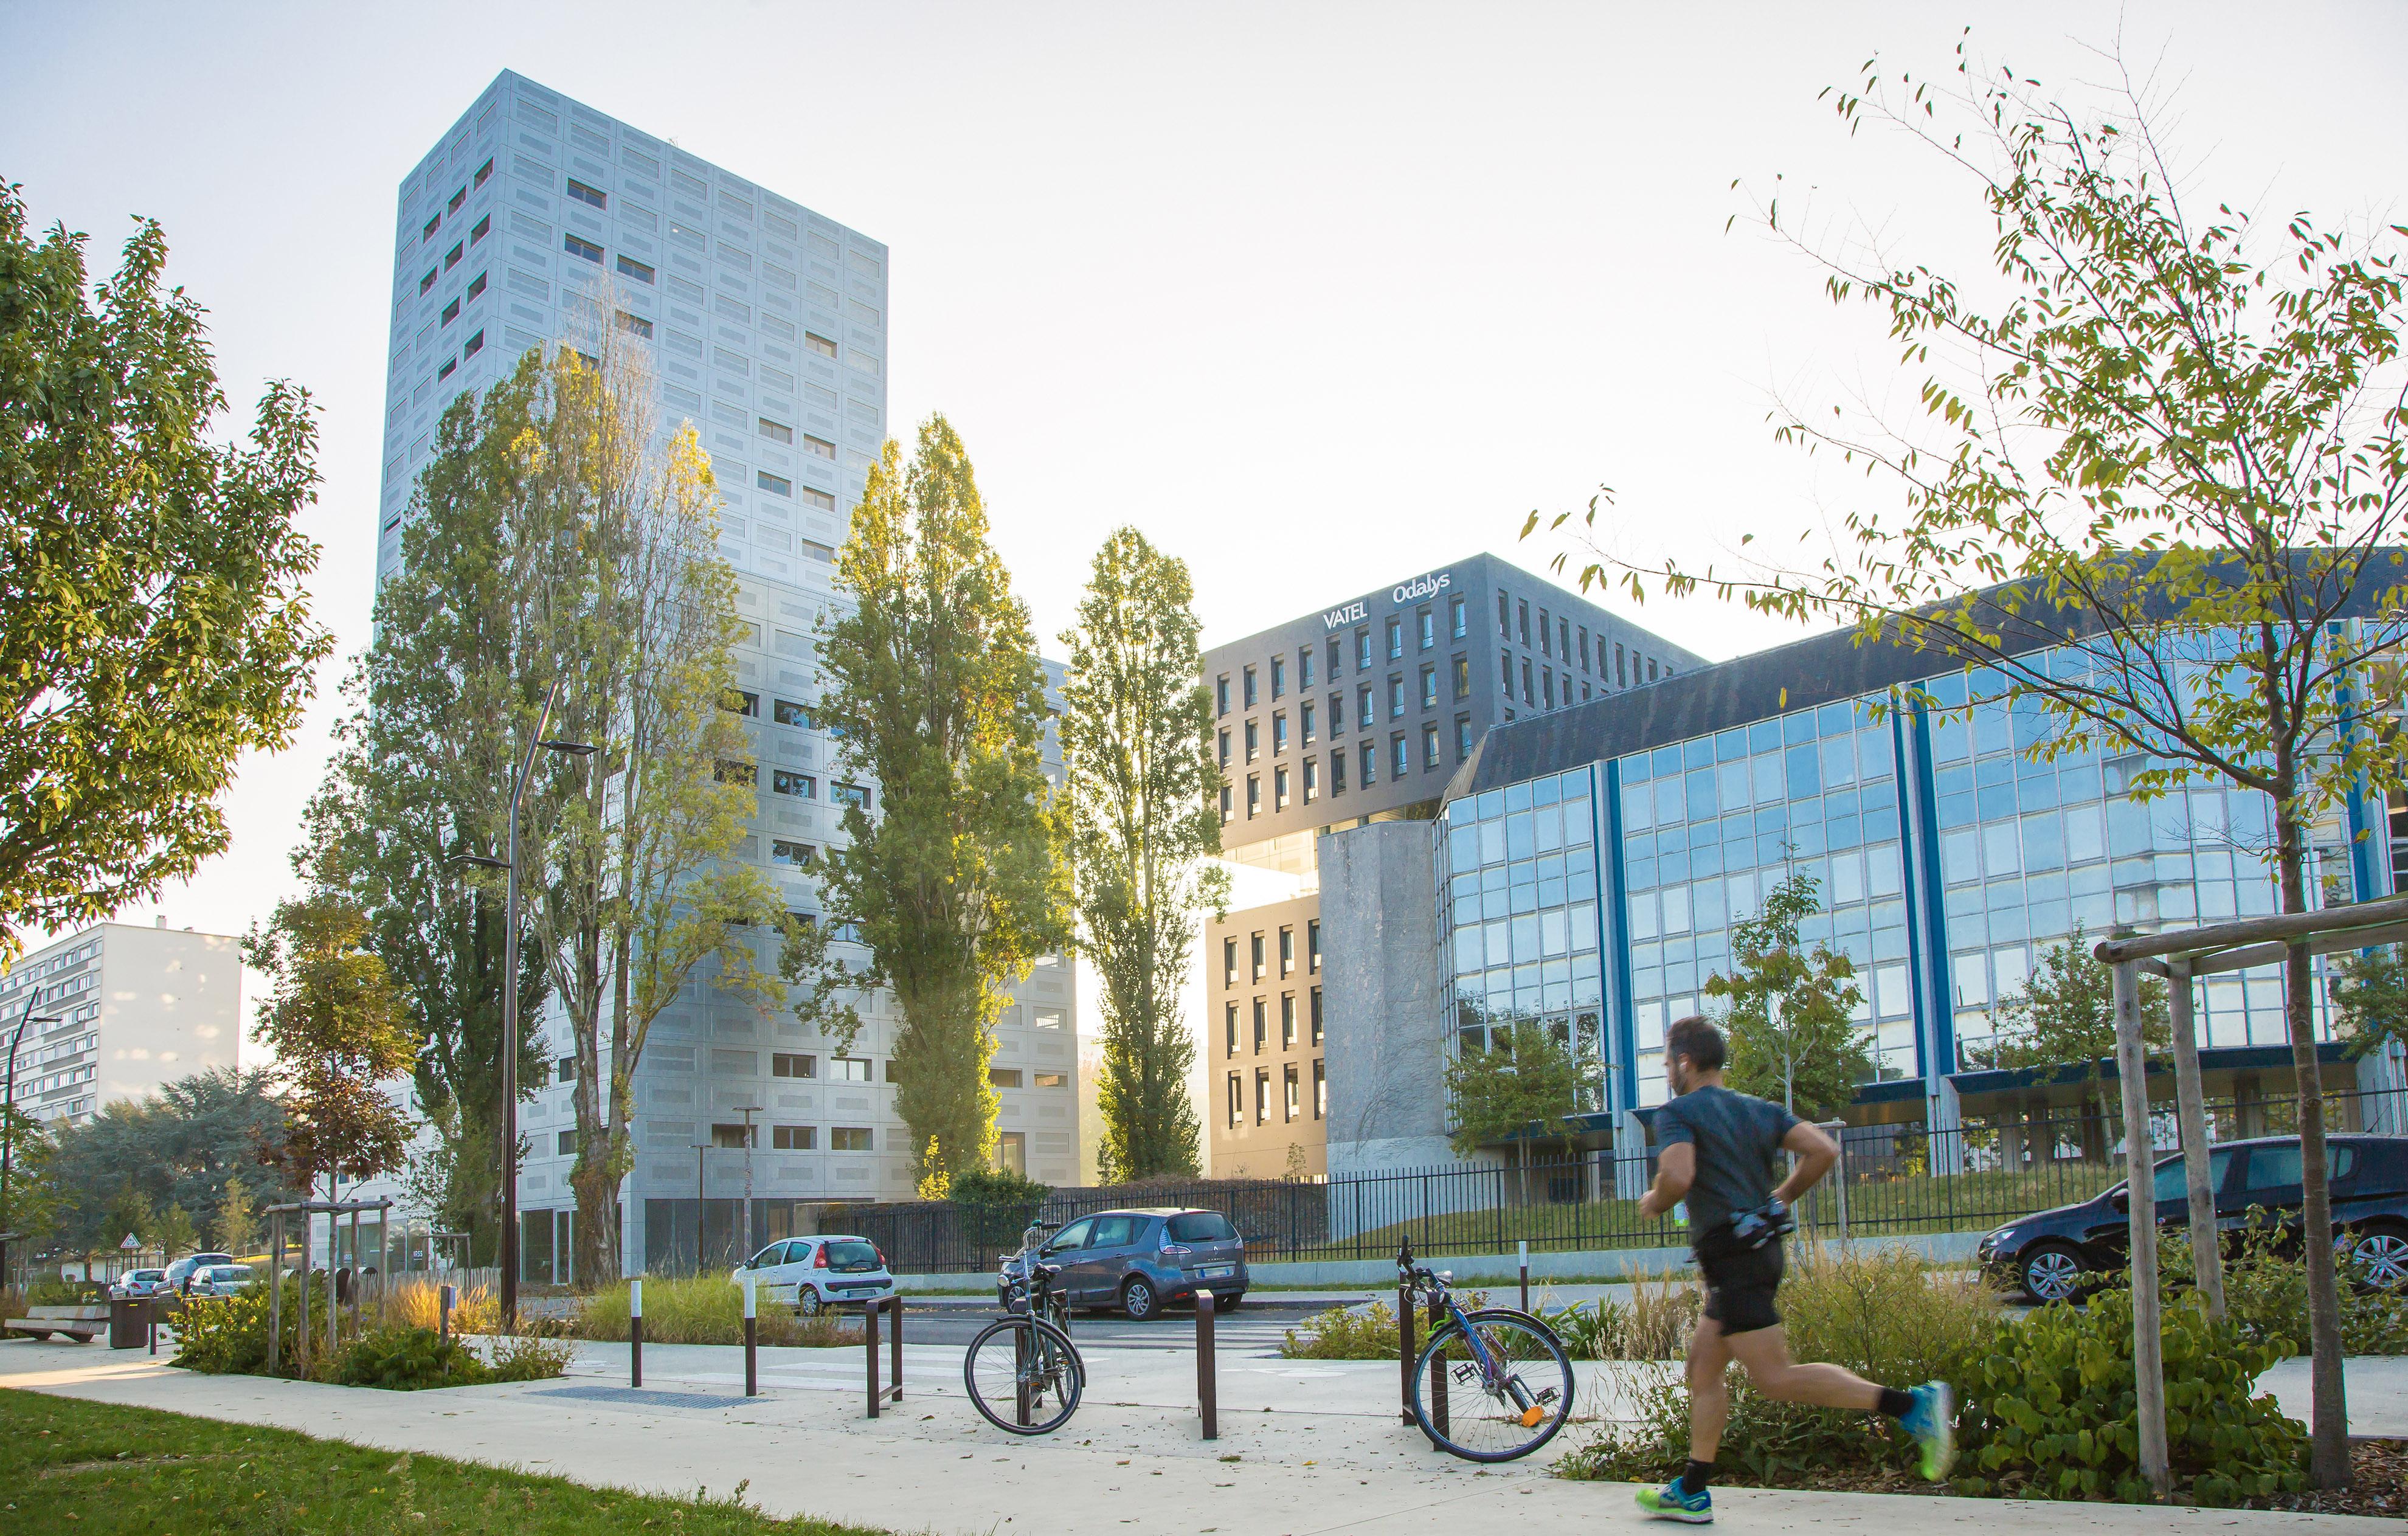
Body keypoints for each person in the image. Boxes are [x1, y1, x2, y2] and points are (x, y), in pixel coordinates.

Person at [1630, 1015, 1954, 1523]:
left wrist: (1656, 1197)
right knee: (1702, 1369)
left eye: (1669, 1061)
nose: (1668, 1070)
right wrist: (1780, 1199)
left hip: (1734, 1260)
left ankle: (1911, 1406)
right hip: (1750, 1254)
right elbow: (1823, 1149)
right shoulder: (1760, 1109)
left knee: (1776, 1378)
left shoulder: (1678, 1112)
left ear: (1686, 1063)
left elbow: (1678, 1174)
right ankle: (1692, 1490)